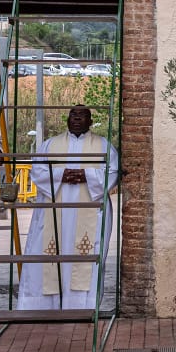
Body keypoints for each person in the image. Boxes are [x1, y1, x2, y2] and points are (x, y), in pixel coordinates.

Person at [19, 105, 119, 310]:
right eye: (73, 115)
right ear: (67, 119)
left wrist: (86, 175)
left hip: (90, 208)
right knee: (46, 253)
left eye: (82, 116)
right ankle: (45, 305)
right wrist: (61, 175)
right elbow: (37, 171)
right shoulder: (49, 145)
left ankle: (81, 305)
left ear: (90, 121)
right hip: (53, 209)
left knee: (87, 256)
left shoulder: (103, 145)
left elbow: (113, 172)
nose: (77, 119)